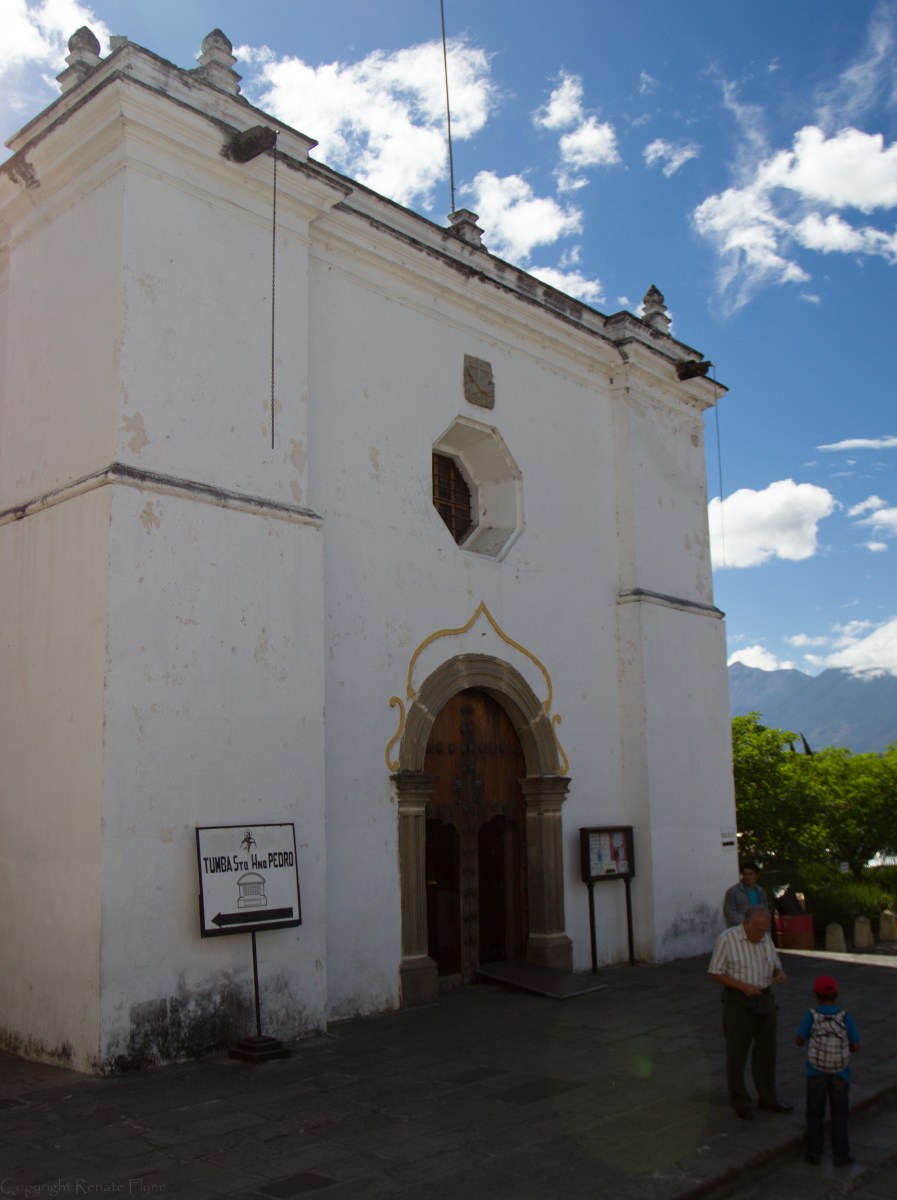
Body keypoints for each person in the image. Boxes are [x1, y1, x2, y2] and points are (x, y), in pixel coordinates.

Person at [708, 905, 791, 1119]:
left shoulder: (766, 939)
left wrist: (779, 974)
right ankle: (740, 1101)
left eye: (765, 930)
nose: (761, 934)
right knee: (737, 1052)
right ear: (746, 924)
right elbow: (715, 973)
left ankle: (768, 1097)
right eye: (758, 929)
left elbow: (775, 965)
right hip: (739, 999)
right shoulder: (727, 939)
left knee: (767, 1050)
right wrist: (741, 986)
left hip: (764, 996)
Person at [795, 974, 860, 1167]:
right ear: (837, 995)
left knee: (815, 1114)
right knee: (839, 1116)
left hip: (815, 1073)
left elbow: (798, 1039)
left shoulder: (812, 1016)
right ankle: (841, 1155)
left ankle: (814, 1153)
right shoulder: (845, 1017)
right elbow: (856, 1045)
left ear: (815, 995)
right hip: (841, 1074)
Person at [723, 862, 770, 927]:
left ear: (757, 876)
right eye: (745, 874)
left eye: (750, 874)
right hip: (739, 930)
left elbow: (765, 912)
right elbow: (729, 913)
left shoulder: (761, 892)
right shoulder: (733, 891)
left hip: (758, 930)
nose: (747, 877)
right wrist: (747, 921)